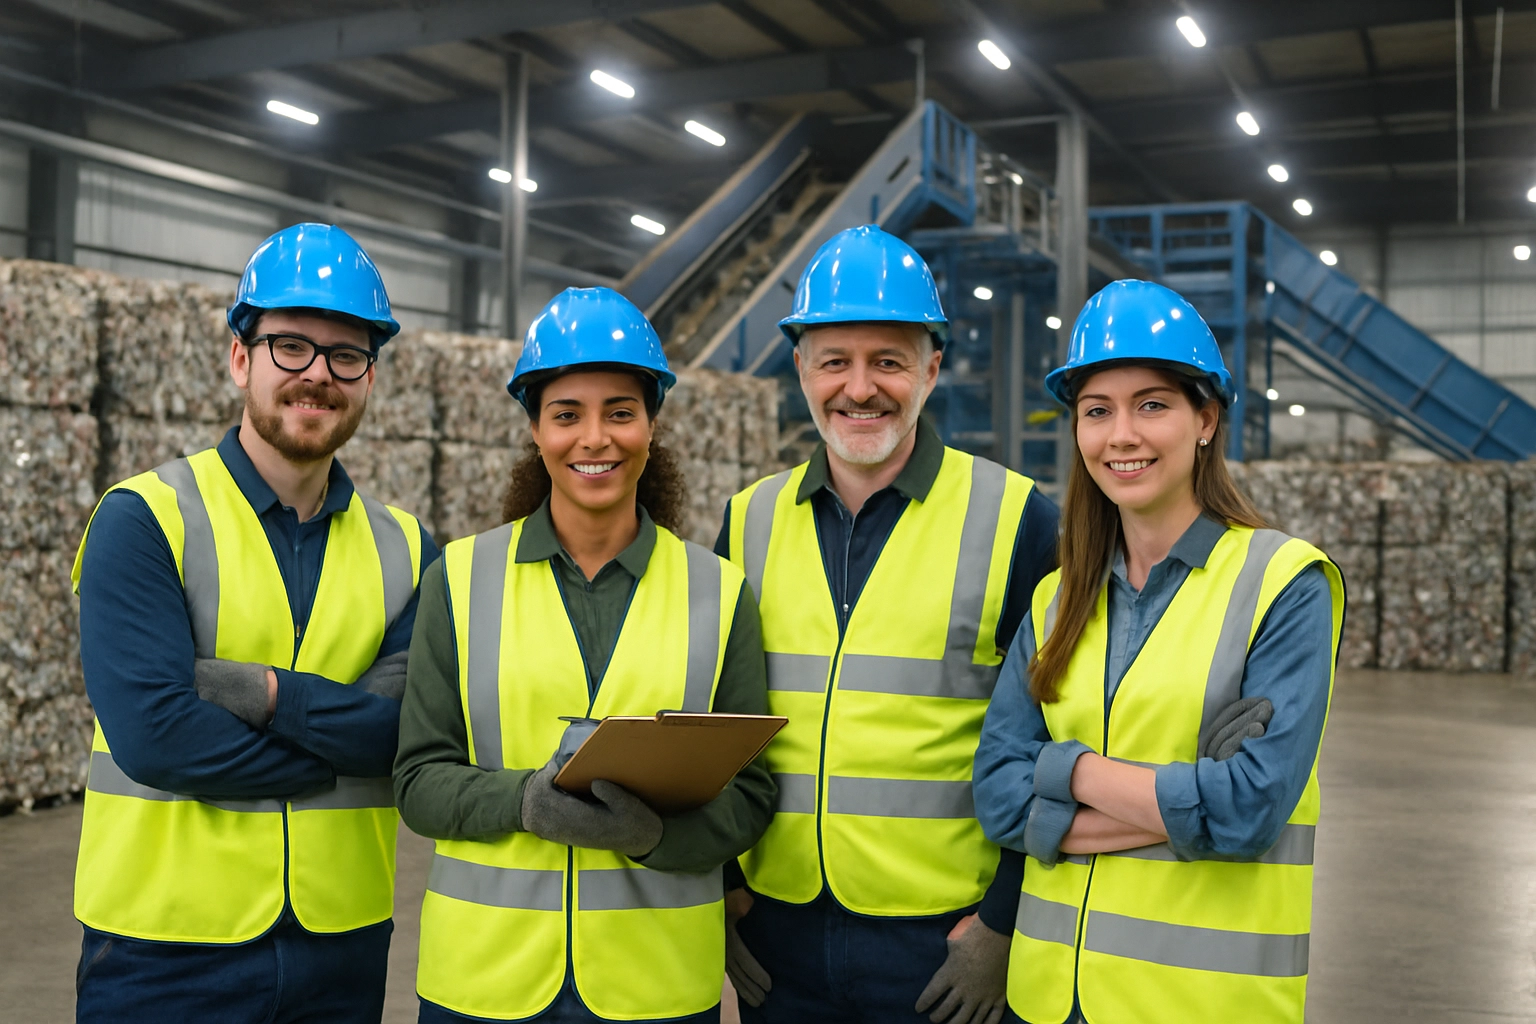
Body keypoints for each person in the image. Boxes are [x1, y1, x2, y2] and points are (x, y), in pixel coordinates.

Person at [71, 222, 438, 1023]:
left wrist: (269, 695)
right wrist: (337, 755)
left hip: (341, 947)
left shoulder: (408, 548)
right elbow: (157, 737)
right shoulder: (145, 519)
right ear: (241, 357)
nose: (318, 376)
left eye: (347, 356)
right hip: (162, 950)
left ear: (370, 377)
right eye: (291, 347)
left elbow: (405, 735)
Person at [395, 286, 774, 1023]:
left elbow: (752, 797)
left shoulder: (720, 593)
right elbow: (417, 780)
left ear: (652, 426)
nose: (594, 438)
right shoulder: (461, 580)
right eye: (567, 414)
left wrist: (655, 835)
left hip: (656, 985)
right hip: (484, 982)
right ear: (535, 430)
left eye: (620, 413)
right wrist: (522, 802)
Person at [971, 279, 1346, 1024]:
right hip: (1049, 996)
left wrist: (1061, 769)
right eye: (1097, 411)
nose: (1122, 437)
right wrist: (1182, 803)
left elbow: (1248, 811)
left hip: (1200, 1000)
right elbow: (997, 795)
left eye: (1152, 405)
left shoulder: (1283, 583)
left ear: (1205, 418)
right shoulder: (1056, 599)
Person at [716, 225, 1061, 1024]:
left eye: (889, 362)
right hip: (780, 932)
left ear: (932, 369)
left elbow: (1052, 740)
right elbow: (712, 721)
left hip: (943, 942)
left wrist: (1006, 926)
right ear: (800, 368)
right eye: (835, 361)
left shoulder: (1017, 521)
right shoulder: (747, 523)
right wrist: (724, 887)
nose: (860, 388)